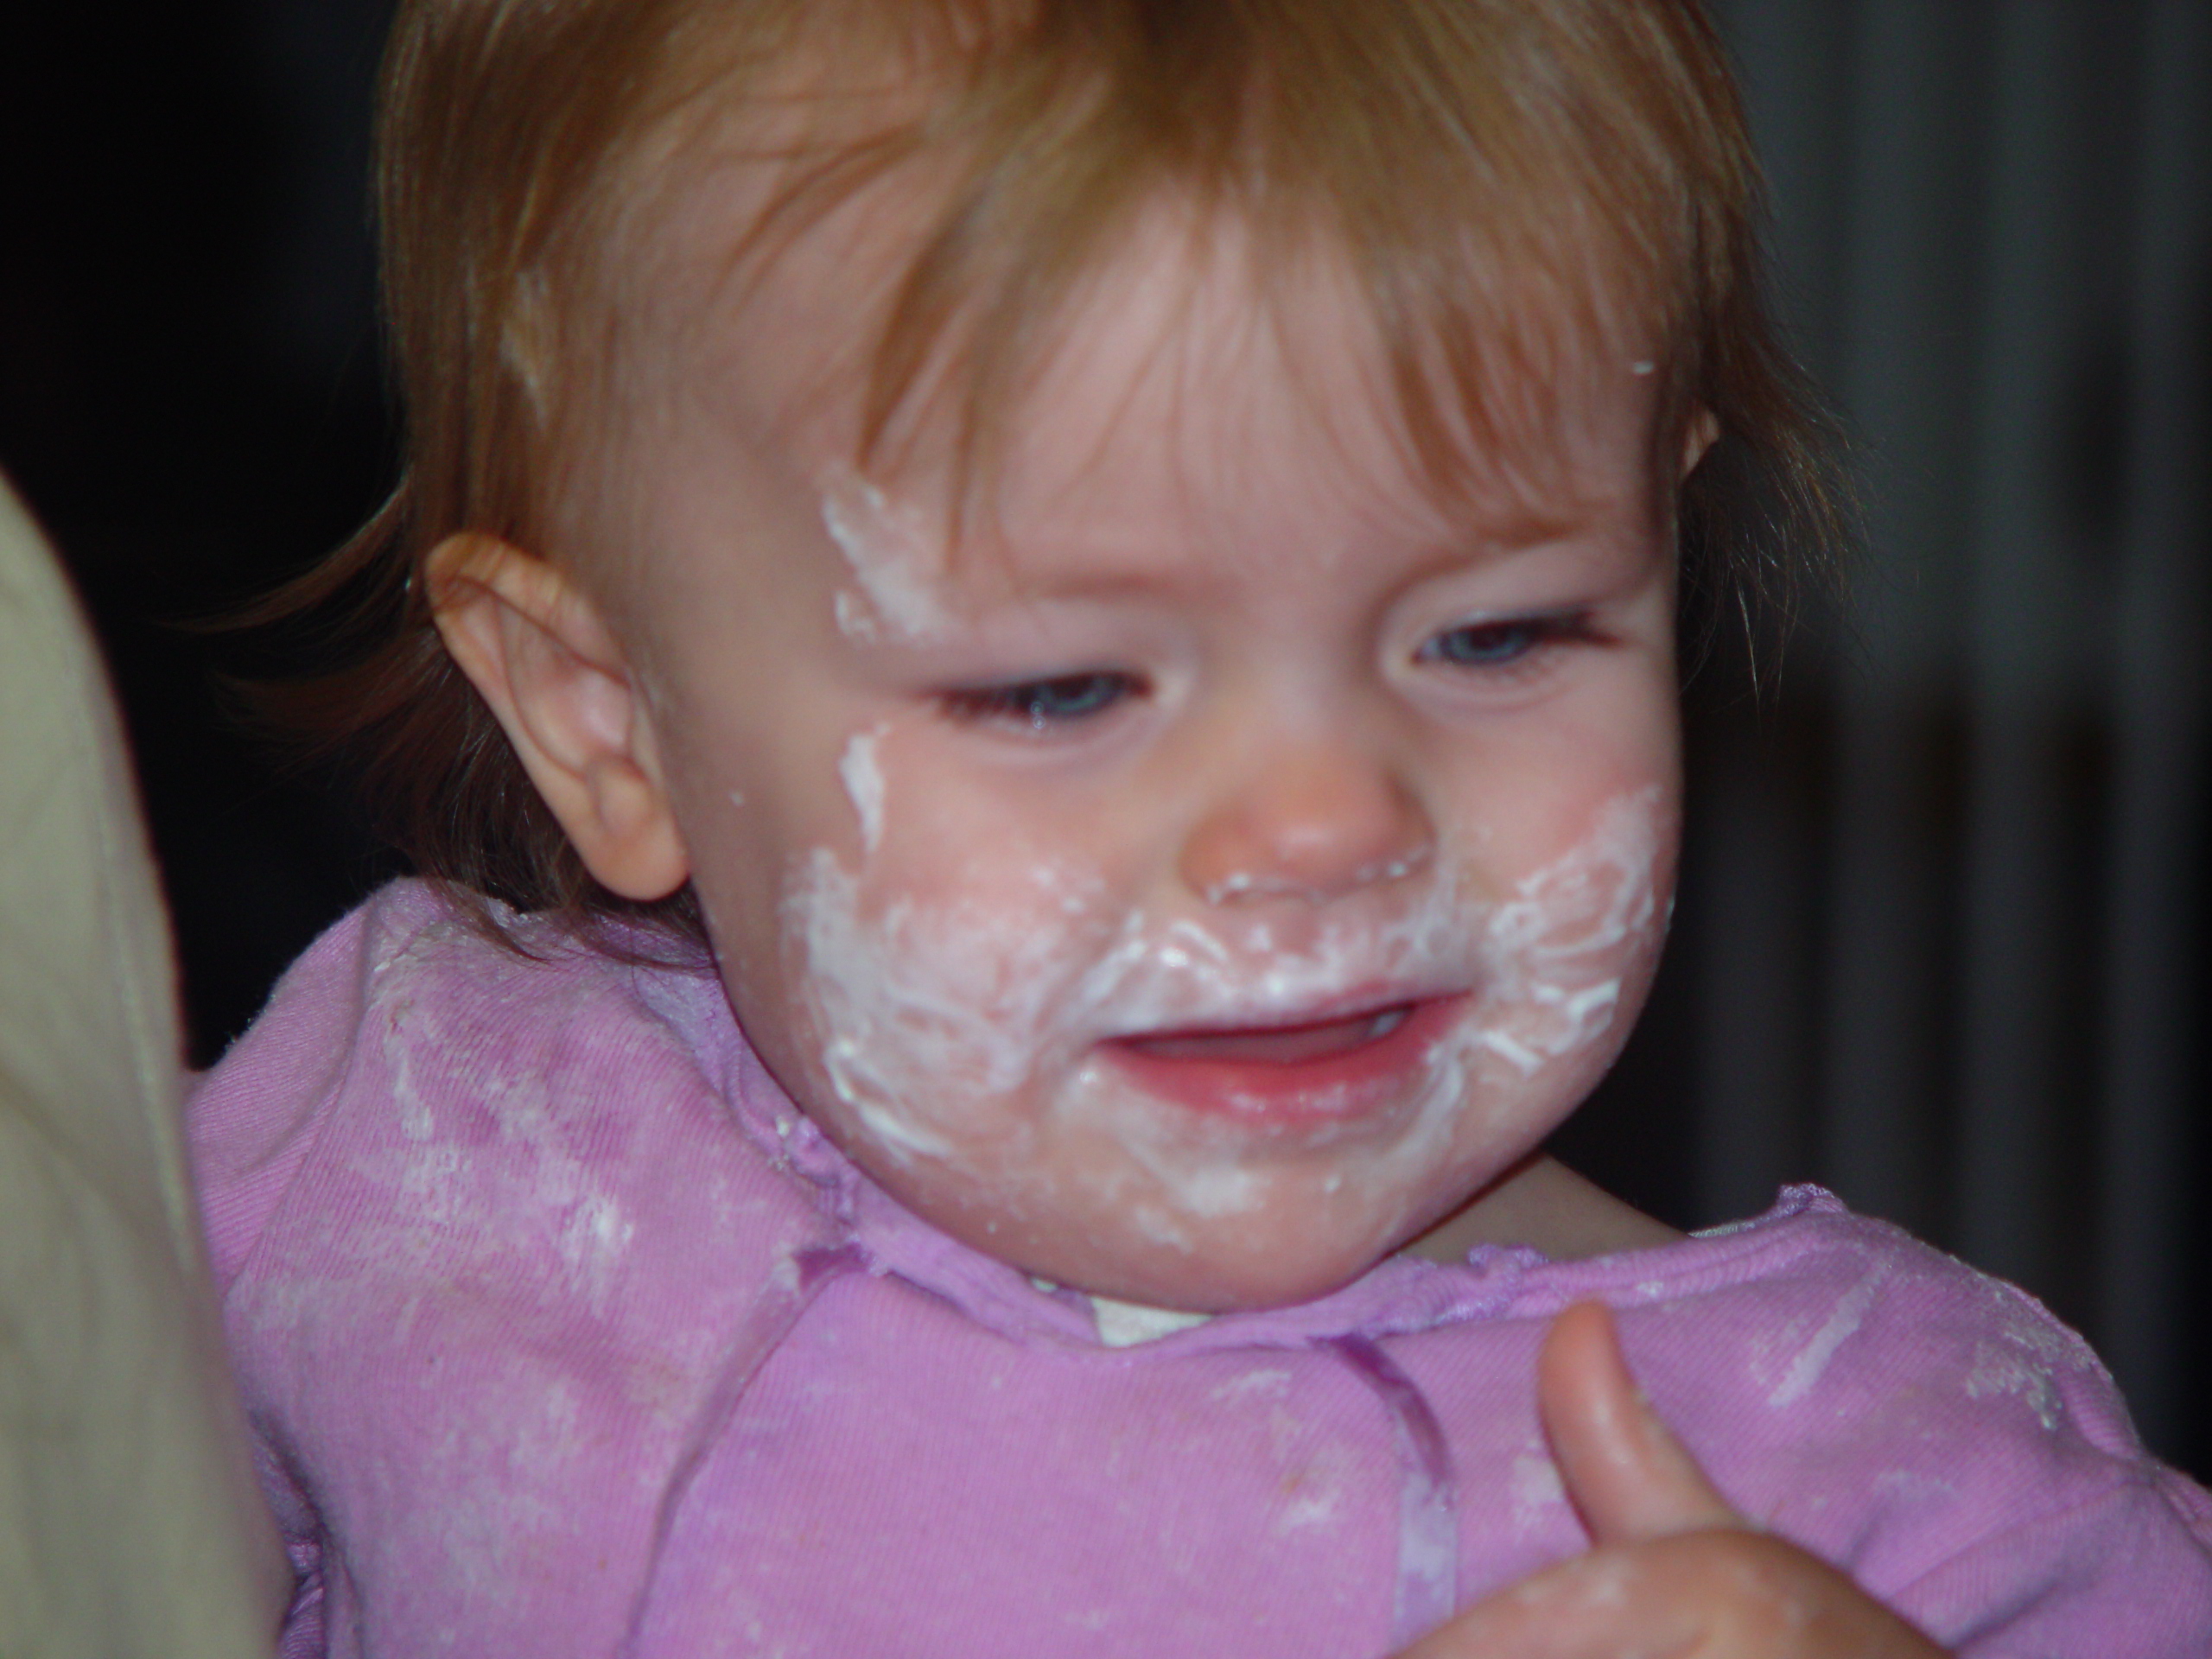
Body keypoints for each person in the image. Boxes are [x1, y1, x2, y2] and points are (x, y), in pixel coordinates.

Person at [186, 0, 2212, 1654]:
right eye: (1063, 686)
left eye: (1496, 630)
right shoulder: (424, 1135)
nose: (1325, 827)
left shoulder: (1887, 1474)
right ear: (602, 720)